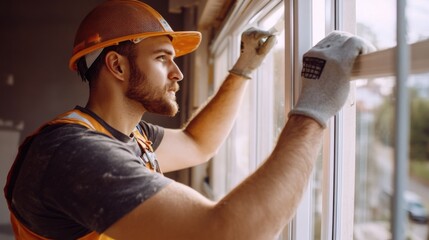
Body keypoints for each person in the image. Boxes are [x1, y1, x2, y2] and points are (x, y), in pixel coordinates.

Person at [3, 0, 374, 239]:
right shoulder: (72, 154)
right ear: (116, 65)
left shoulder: (130, 135)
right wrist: (314, 110)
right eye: (163, 58)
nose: (178, 73)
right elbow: (228, 233)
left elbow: (199, 143)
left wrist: (243, 69)